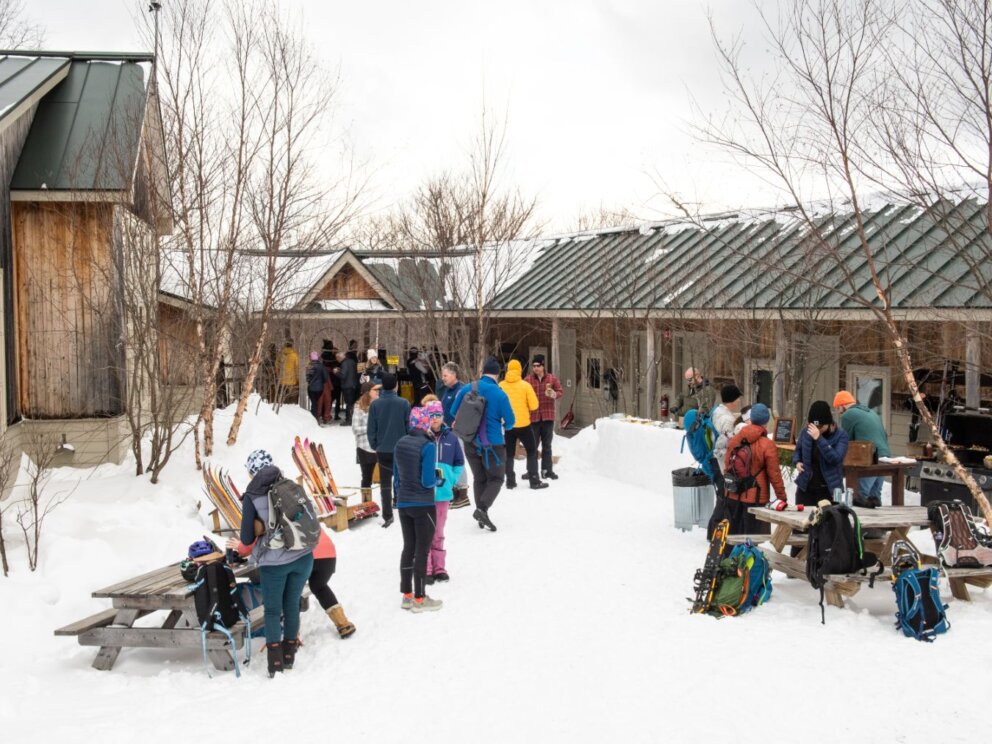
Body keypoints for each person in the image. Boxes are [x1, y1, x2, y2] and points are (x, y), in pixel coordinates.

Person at [239, 449, 315, 677]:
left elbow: (245, 539)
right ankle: (289, 655)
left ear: (252, 472)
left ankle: (275, 663)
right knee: (292, 603)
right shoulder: (290, 486)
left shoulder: (252, 496)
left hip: (275, 563)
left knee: (272, 610)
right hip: (303, 556)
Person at [227, 526, 356, 639]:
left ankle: (292, 637)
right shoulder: (299, 504)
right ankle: (343, 624)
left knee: (290, 594)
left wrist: (240, 547)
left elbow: (260, 538)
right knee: (319, 586)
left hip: (305, 556)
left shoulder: (271, 510)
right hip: (327, 553)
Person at [450, 357, 515, 532]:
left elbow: (452, 411)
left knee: (479, 478)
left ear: (482, 372)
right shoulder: (500, 394)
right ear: (497, 375)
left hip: (470, 441)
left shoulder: (467, 388)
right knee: (496, 478)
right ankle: (482, 510)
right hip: (493, 445)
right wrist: (501, 424)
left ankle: (481, 514)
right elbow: (511, 422)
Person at [394, 406, 443, 612]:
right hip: (423, 503)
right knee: (422, 550)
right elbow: (427, 479)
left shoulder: (400, 443)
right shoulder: (428, 445)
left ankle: (407, 595)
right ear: (424, 423)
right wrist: (438, 479)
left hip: (404, 502)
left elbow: (396, 477)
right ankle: (420, 598)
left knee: (408, 548)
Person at [721, 403, 786, 535]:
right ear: (766, 422)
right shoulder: (767, 444)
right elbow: (774, 474)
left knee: (732, 537)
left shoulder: (735, 439)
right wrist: (782, 497)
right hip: (755, 498)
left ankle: (729, 556)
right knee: (751, 541)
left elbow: (727, 465)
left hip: (732, 494)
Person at [425, 399, 463, 584]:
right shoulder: (422, 436)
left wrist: (451, 480)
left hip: (442, 493)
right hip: (424, 494)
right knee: (425, 531)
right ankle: (426, 568)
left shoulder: (452, 438)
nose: (434, 419)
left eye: (438, 415)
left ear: (442, 416)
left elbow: (459, 463)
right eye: (431, 415)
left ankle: (439, 567)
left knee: (438, 531)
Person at [368, 372, 411, 528]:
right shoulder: (404, 403)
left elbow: (371, 428)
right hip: (402, 448)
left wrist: (375, 445)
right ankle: (404, 507)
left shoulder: (375, 405)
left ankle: (387, 515)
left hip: (383, 449)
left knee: (385, 483)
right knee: (403, 480)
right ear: (396, 386)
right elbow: (409, 426)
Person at [834, 390, 891, 507]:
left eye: (838, 408)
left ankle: (859, 524)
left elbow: (845, 440)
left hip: (869, 458)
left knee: (860, 496)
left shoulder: (847, 415)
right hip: (885, 456)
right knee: (874, 497)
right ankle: (877, 524)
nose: (839, 412)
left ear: (842, 405)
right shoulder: (871, 412)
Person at [500, 359, 546, 490]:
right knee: (531, 451)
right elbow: (534, 405)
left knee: (509, 454)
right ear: (519, 370)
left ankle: (510, 481)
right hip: (524, 425)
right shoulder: (525, 385)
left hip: (508, 426)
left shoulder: (501, 385)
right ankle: (534, 480)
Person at [524, 354, 564, 480]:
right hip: (533, 417)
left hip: (547, 416)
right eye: (534, 366)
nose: (535, 368)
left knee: (547, 445)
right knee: (533, 446)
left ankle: (547, 471)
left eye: (538, 366)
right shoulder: (528, 380)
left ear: (543, 365)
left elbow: (560, 392)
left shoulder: (552, 379)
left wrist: (554, 394)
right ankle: (531, 471)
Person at [436, 362, 470, 508]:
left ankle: (463, 493)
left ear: (454, 375)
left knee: (458, 460)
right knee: (449, 462)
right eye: (442, 375)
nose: (443, 378)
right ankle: (454, 490)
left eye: (445, 375)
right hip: (447, 431)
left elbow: (466, 409)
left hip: (458, 431)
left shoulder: (461, 389)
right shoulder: (447, 390)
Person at [352, 382, 381, 503]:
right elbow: (355, 429)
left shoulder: (379, 405)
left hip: (379, 447)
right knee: (367, 477)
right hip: (364, 447)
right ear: (368, 392)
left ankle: (386, 503)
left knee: (384, 477)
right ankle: (366, 504)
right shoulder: (359, 407)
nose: (378, 392)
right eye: (375, 390)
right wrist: (371, 428)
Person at [711, 384, 743, 465]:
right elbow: (728, 443)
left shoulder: (717, 411)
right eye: (737, 398)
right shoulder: (728, 420)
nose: (739, 400)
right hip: (724, 461)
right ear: (732, 399)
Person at [305, 351, 330, 422]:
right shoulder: (322, 366)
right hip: (320, 388)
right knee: (316, 403)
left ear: (311, 358)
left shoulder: (309, 366)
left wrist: (311, 382)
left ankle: (314, 419)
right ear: (318, 357)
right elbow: (326, 377)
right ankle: (316, 418)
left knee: (314, 403)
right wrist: (321, 382)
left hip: (311, 388)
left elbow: (307, 378)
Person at [336, 350, 359, 426]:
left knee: (348, 403)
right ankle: (351, 418)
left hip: (347, 386)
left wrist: (336, 372)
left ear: (341, 357)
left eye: (337, 358)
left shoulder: (344, 363)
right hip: (353, 385)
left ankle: (348, 420)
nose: (337, 360)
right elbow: (351, 372)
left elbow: (343, 375)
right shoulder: (352, 362)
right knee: (351, 403)